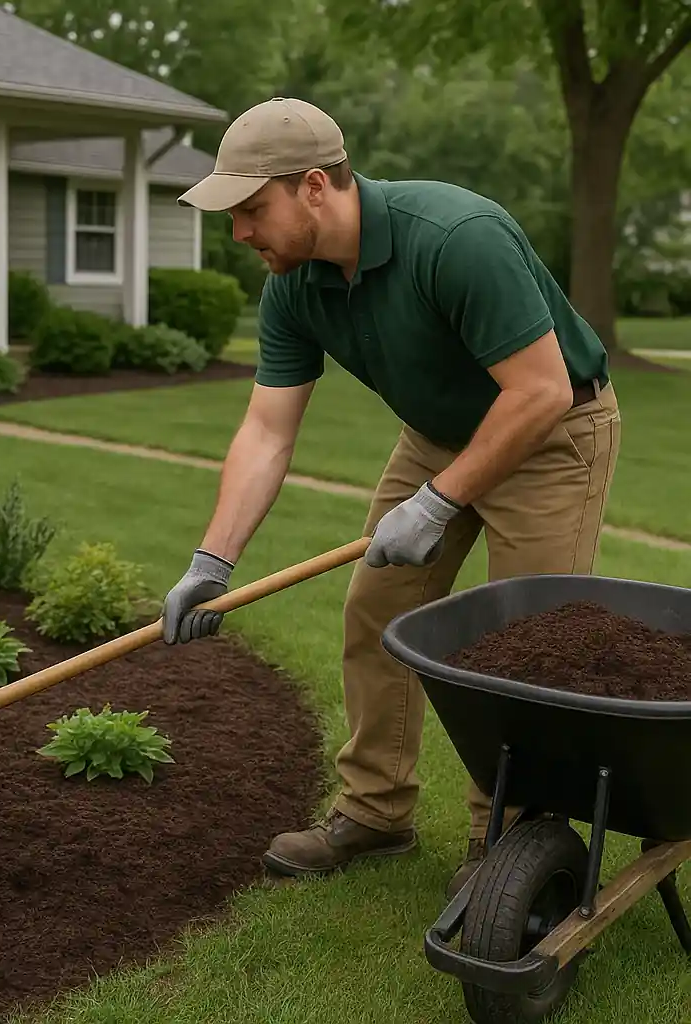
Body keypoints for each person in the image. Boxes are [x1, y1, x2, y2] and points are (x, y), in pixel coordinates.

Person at [162, 96, 621, 898]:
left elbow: (541, 391)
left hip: (553, 435)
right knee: (377, 610)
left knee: (527, 644)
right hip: (437, 435)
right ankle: (376, 811)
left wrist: (439, 503)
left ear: (313, 186)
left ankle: (506, 843)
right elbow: (267, 433)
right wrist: (213, 560)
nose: (239, 234)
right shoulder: (295, 286)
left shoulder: (454, 237)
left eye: (250, 210)